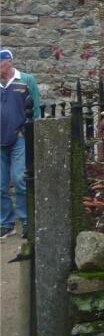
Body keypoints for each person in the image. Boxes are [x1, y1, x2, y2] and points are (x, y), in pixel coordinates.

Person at [0, 49, 40, 239]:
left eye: (0, 64)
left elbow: (36, 109)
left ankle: (26, 221)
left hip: (18, 139)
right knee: (0, 185)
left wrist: (27, 133)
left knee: (19, 179)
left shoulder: (26, 80)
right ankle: (6, 223)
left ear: (9, 62)